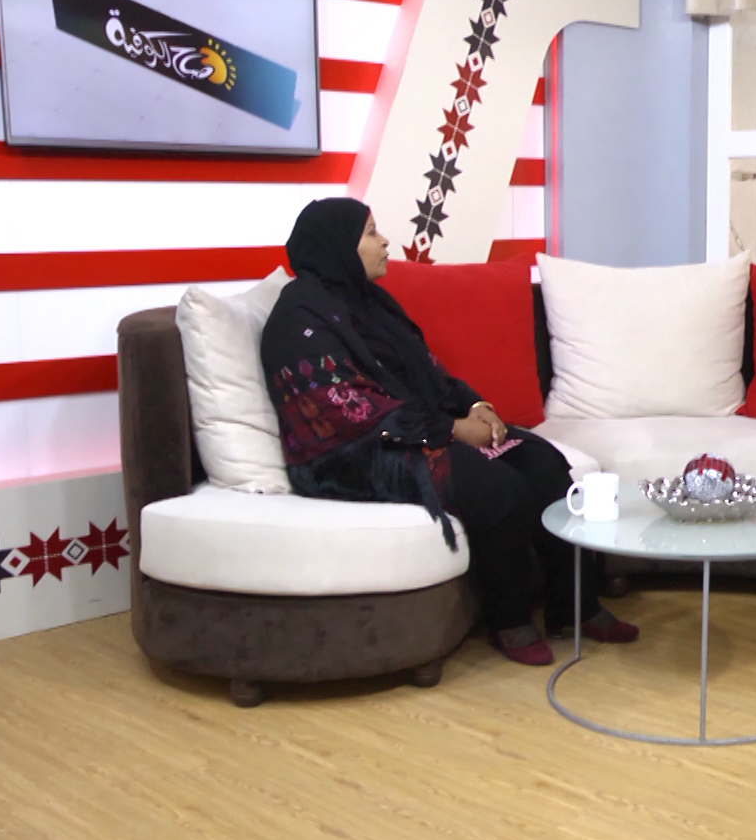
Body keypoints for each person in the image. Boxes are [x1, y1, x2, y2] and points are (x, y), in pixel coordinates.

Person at [259, 198, 637, 666]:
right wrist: (452, 430)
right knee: (496, 489)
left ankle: (574, 606)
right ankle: (509, 621)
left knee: (544, 464)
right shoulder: (298, 318)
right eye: (371, 233)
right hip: (353, 455)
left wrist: (476, 406)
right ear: (337, 246)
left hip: (413, 429)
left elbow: (429, 371)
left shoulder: (371, 301)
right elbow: (347, 410)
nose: (385, 242)